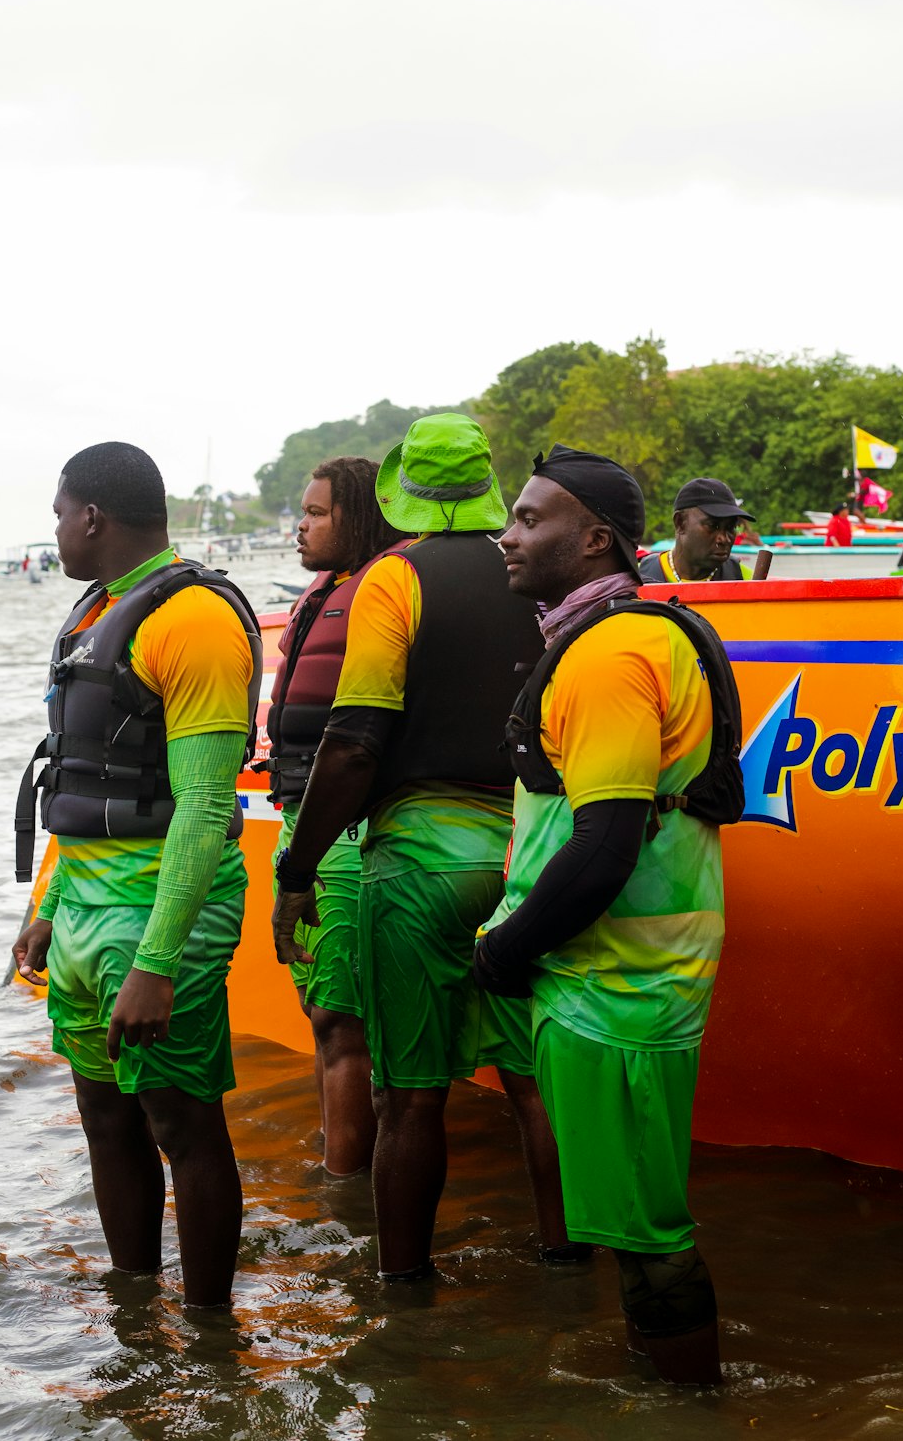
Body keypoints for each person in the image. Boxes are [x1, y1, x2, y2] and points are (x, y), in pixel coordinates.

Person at [271, 412, 572, 1278]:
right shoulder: (535, 575)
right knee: (529, 1082)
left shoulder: (394, 580)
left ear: (408, 491)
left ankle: (402, 1299)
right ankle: (564, 1261)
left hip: (419, 864)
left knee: (408, 1097)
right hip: (525, 861)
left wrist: (299, 871)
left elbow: (356, 738)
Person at [475, 443, 727, 1385]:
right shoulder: (624, 635)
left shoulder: (614, 653)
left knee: (651, 1239)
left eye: (530, 519)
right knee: (634, 1224)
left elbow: (606, 845)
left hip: (618, 984)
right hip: (614, 978)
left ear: (594, 541)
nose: (508, 534)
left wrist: (505, 951)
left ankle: (686, 1406)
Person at [12, 442, 261, 1307]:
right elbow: (76, 782)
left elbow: (201, 805)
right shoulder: (95, 613)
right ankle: (133, 1316)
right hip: (84, 900)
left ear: (91, 518)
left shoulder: (193, 620)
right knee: (104, 1116)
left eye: (58, 513)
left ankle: (208, 1335)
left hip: (163, 905)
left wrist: (157, 961)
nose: (54, 529)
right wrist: (46, 901)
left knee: (180, 1122)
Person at [263, 456, 402, 1175]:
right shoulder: (330, 591)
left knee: (342, 1023)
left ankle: (345, 1198)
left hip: (346, 830)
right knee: (323, 1014)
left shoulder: (388, 588)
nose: (301, 526)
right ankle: (336, 1169)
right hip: (303, 820)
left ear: (358, 514)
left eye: (316, 513)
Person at [638, 477, 755, 582]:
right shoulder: (634, 578)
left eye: (731, 527)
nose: (724, 539)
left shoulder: (747, 579)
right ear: (680, 523)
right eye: (713, 526)